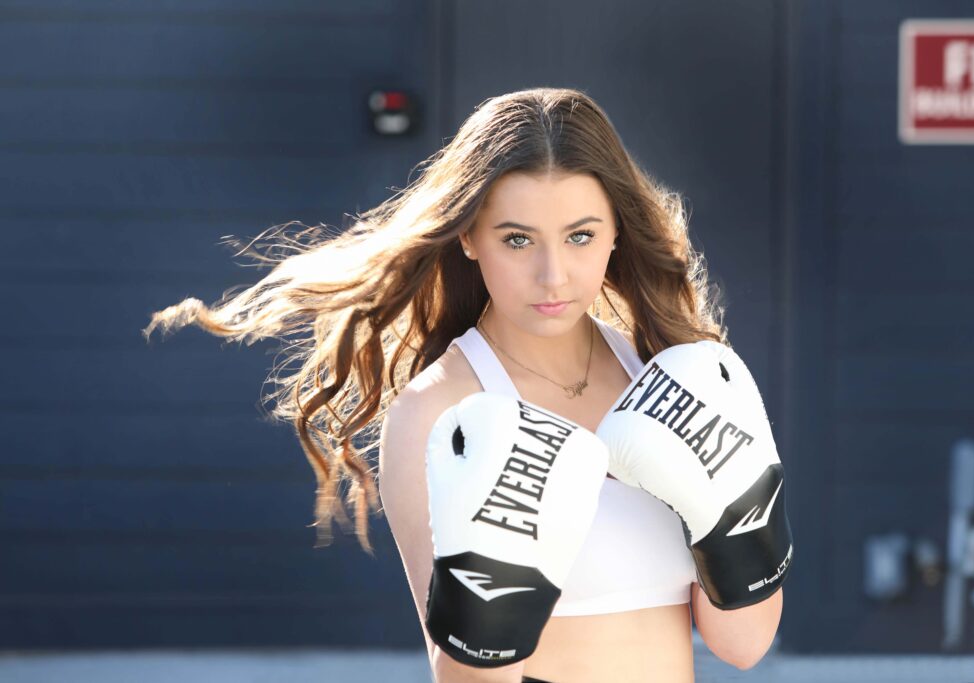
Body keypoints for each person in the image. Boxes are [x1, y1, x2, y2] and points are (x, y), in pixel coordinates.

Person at [143, 87, 784, 682]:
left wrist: (739, 527)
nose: (553, 275)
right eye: (517, 239)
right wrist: (492, 588)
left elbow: (743, 645)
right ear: (470, 237)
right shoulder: (441, 412)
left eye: (580, 236)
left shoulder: (669, 376)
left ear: (616, 231)